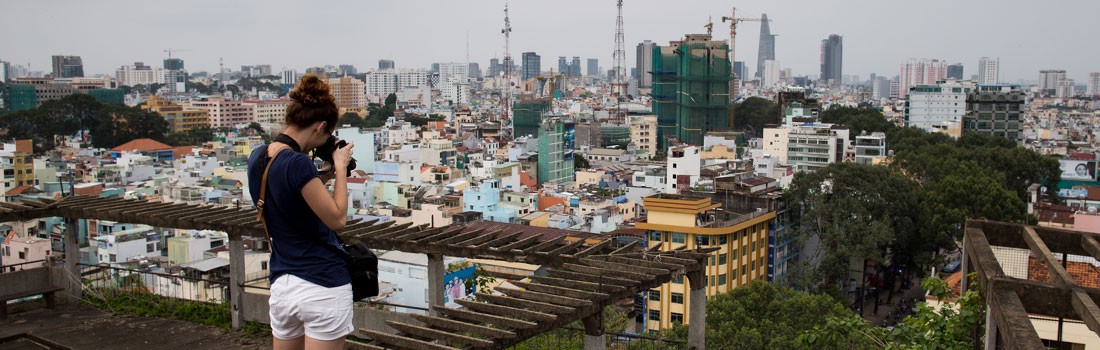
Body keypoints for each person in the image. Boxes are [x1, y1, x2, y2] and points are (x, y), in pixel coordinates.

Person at [248, 74, 355, 350]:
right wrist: (341, 169)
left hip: (283, 283)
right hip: (322, 283)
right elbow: (337, 218)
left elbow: (290, 198)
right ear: (321, 126)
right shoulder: (298, 163)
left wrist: (326, 178)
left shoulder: (259, 157)